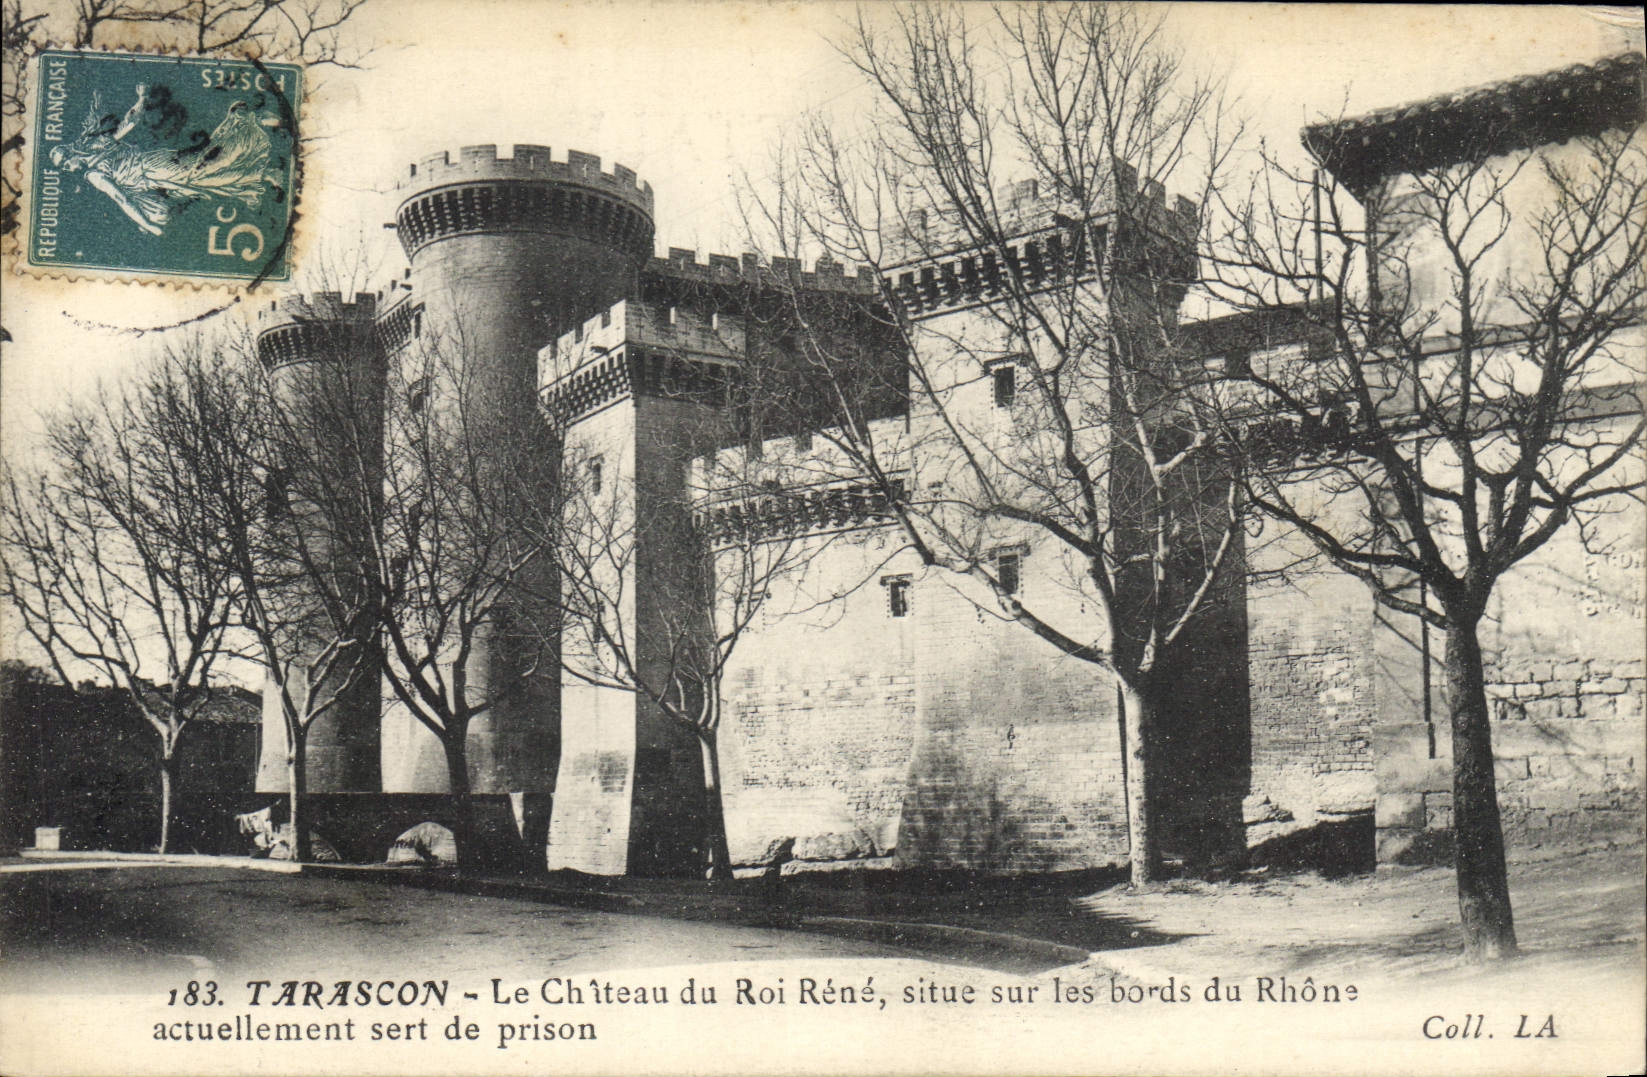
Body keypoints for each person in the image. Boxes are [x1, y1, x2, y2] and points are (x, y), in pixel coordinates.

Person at [52, 87, 281, 237]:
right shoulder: (97, 147)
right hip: (154, 172)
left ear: (72, 154)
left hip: (153, 169)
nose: (68, 169)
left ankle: (246, 126)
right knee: (202, 176)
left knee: (202, 169)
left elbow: (122, 199)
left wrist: (150, 227)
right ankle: (256, 168)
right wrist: (141, 98)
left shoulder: (93, 174)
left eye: (65, 164)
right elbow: (129, 124)